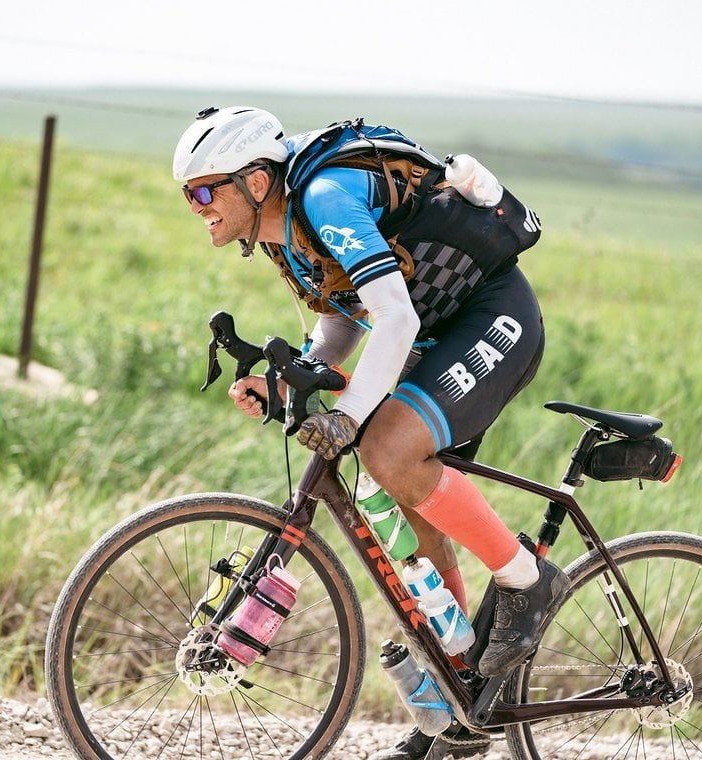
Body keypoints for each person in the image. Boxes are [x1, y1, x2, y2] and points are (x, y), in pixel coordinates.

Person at [173, 106, 571, 760]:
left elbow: (395, 320)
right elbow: (343, 319)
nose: (198, 206)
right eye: (190, 195)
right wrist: (287, 383)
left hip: (490, 313)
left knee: (386, 446)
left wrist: (350, 414)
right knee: (414, 526)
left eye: (206, 190)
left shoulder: (325, 198)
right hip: (434, 327)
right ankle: (460, 701)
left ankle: (529, 580)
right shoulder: (283, 231)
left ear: (256, 183)